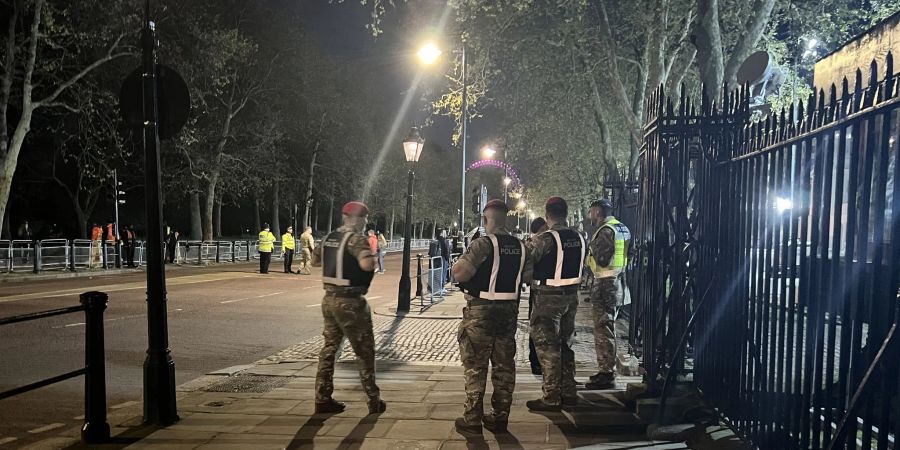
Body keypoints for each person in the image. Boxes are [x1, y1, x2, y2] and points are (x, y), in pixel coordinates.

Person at [451, 199, 531, 434]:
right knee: (504, 364)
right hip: (508, 312)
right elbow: (527, 278)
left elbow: (460, 274)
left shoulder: (482, 245)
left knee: (476, 364)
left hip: (481, 310)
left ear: (486, 219)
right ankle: (500, 416)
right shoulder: (521, 247)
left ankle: (472, 417)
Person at [311, 201, 386, 415]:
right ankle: (373, 400)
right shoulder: (356, 239)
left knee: (329, 349)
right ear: (358, 218)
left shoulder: (329, 238)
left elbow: (316, 261)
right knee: (364, 351)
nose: (366, 222)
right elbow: (367, 265)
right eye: (365, 218)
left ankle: (322, 398)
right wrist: (370, 257)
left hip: (329, 299)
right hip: (351, 302)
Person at [526, 197, 586, 411]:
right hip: (572, 296)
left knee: (547, 347)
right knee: (566, 344)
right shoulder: (580, 237)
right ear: (567, 213)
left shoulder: (545, 239)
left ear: (547, 214)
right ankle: (569, 391)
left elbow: (526, 263)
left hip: (548, 297)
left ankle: (551, 396)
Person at [585, 199, 631, 390]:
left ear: (597, 212)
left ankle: (606, 372)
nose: (589, 215)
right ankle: (606, 370)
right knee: (608, 327)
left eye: (590, 211)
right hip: (618, 282)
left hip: (605, 285)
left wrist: (591, 247)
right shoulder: (622, 228)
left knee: (603, 329)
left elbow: (602, 258)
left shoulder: (606, 230)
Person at [526, 217, 549, 376]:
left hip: (538, 290)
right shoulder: (542, 241)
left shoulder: (535, 242)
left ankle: (537, 363)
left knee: (536, 327)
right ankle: (538, 363)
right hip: (542, 290)